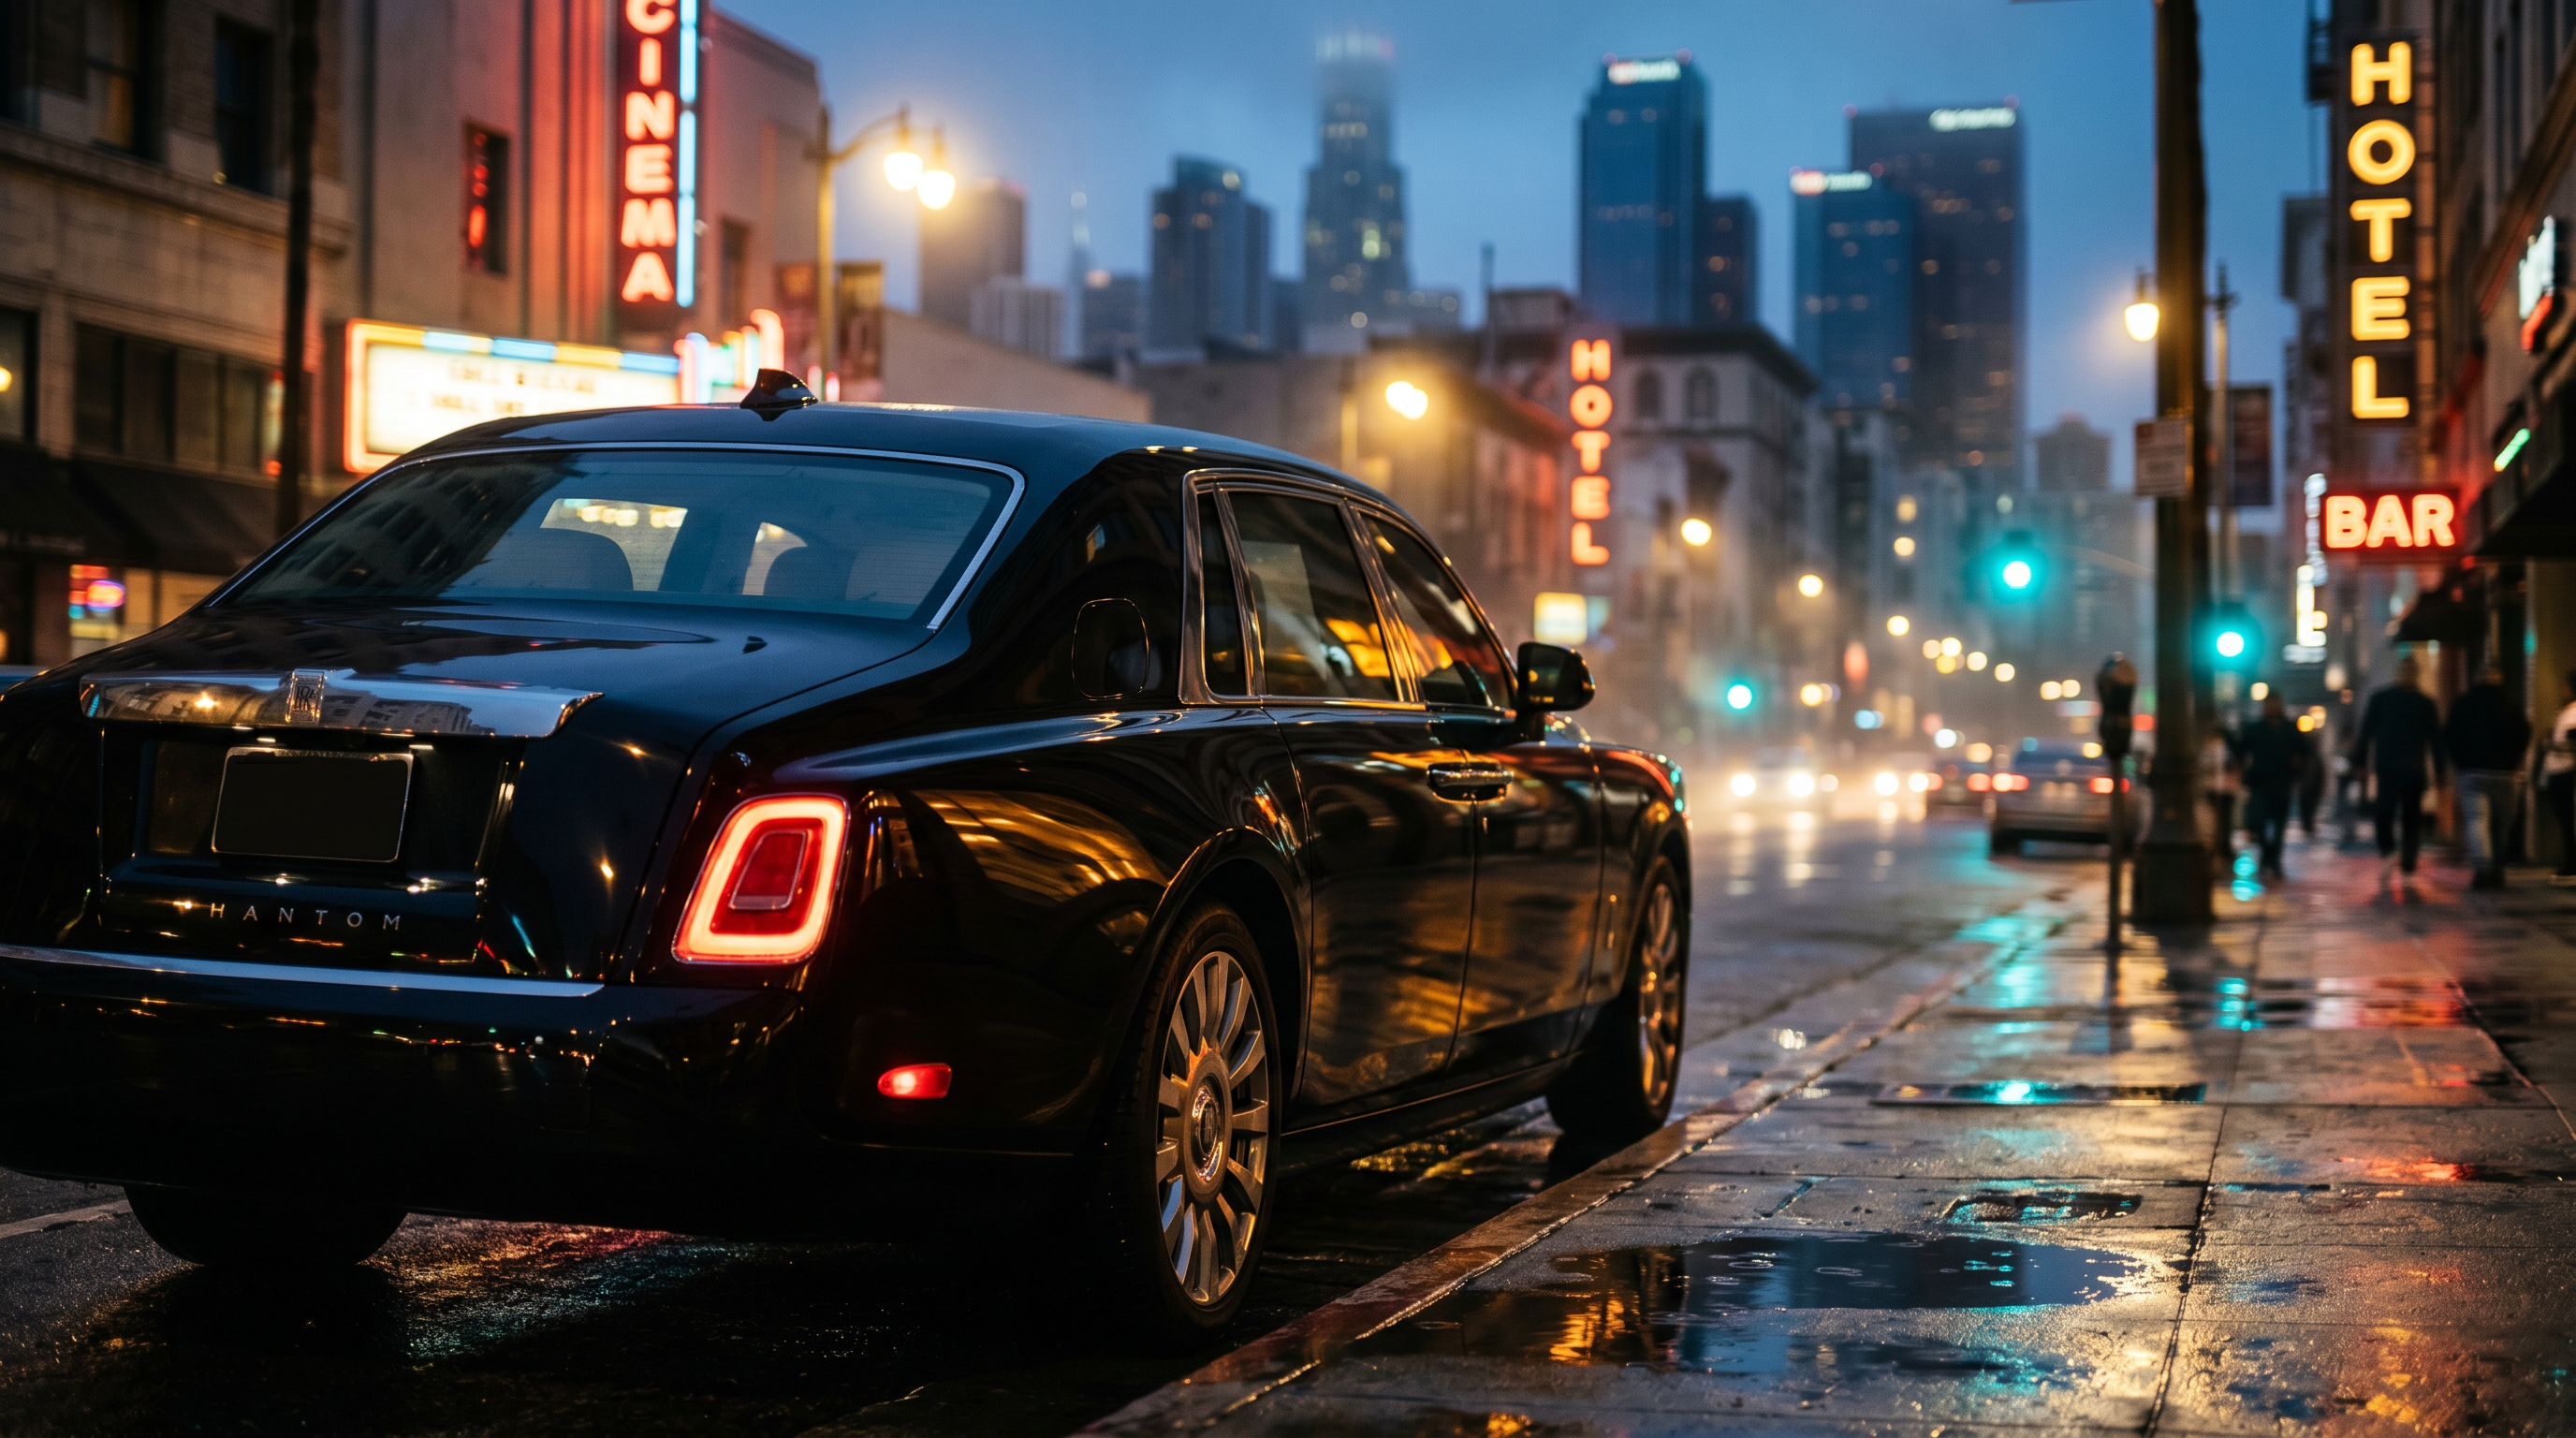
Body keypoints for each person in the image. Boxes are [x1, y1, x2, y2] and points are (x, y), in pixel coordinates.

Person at [2353, 654, 2444, 879]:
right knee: (2383, 814)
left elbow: (2435, 740)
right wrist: (2359, 762)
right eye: (2404, 670)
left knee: (2411, 818)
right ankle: (2388, 852)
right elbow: (2365, 733)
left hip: (2413, 771)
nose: (2407, 675)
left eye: (2411, 671)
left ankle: (2408, 864)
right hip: (2387, 769)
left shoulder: (2425, 704)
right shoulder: (2381, 699)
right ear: (2397, 672)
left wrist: (2440, 771)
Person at [2443, 662, 2532, 889]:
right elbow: (2524, 732)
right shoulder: (2511, 705)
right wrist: (2514, 758)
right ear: (2499, 678)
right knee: (2502, 822)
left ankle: (2483, 867)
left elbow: (2450, 735)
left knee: (2477, 820)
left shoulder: (2462, 705)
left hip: (2472, 772)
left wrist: (2459, 763)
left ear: (2476, 678)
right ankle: (2497, 866)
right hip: (2504, 773)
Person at [2236, 692, 2309, 880]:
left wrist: (2296, 769)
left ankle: (2274, 861)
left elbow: (2305, 750)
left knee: (2279, 826)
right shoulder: (2256, 729)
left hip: (2282, 784)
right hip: (2259, 784)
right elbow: (2240, 749)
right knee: (2257, 824)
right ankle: (2268, 856)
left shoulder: (2290, 729)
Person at [2545, 671, 2576, 886]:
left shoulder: (2572, 712)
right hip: (2559, 770)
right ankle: (2570, 862)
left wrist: (2555, 743)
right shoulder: (2568, 711)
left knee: (2567, 821)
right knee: (2566, 821)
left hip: (2565, 771)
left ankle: (2571, 863)